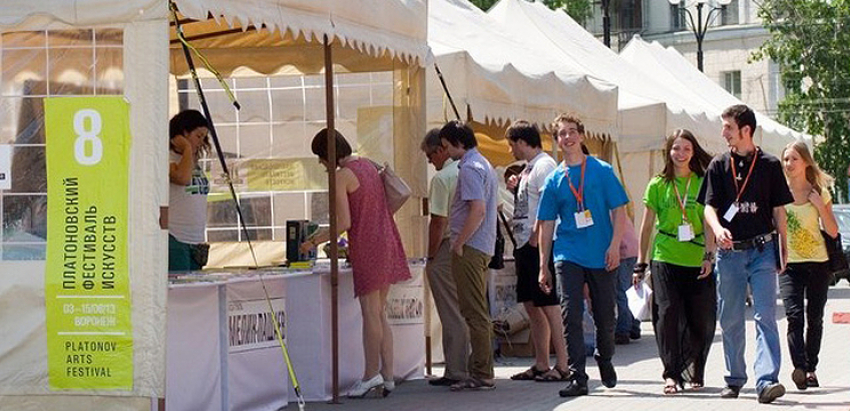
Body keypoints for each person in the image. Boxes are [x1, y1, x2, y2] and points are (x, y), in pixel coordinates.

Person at [300, 128, 411, 398]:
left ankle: (370, 375)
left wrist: (312, 241)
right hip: (387, 239)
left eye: (320, 157)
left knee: (370, 313)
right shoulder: (367, 165)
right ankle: (387, 375)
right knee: (380, 312)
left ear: (327, 154)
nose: (320, 163)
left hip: (367, 244)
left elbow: (344, 222)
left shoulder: (341, 177)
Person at [697, 104, 793, 404]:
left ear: (745, 130)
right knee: (731, 318)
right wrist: (716, 229)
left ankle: (766, 381)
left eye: (728, 127)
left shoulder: (770, 164)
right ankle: (735, 378)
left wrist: (783, 247)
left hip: (763, 250)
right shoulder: (718, 165)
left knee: (766, 315)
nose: (723, 132)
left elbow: (779, 211)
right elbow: (708, 207)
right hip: (730, 253)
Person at [538, 113, 629, 397]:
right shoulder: (554, 179)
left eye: (572, 131)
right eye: (562, 133)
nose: (568, 137)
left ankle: (605, 356)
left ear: (581, 135)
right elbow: (546, 224)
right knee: (570, 313)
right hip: (568, 253)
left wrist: (614, 245)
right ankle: (578, 376)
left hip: (601, 251)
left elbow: (619, 210)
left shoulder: (601, 170)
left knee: (605, 316)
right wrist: (544, 265)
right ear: (556, 141)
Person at [635, 129, 716, 394]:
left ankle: (694, 370)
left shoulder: (702, 181)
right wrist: (640, 263)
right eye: (676, 148)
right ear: (668, 151)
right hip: (665, 256)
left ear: (693, 153)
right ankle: (670, 374)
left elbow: (708, 223)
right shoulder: (658, 184)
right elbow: (646, 227)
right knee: (667, 315)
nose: (680, 154)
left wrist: (708, 255)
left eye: (686, 149)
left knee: (699, 320)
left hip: (696, 259)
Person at [504, 120, 569, 383]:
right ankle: (541, 362)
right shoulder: (530, 168)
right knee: (532, 305)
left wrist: (536, 235)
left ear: (521, 142)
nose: (510, 151)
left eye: (511, 145)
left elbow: (547, 202)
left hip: (539, 244)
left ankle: (564, 364)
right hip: (523, 244)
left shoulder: (544, 166)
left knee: (550, 305)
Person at [439, 120, 499, 391]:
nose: (446, 151)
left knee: (474, 311)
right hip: (481, 245)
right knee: (477, 309)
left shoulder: (470, 169)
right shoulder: (483, 163)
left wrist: (459, 242)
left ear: (458, 143)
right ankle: (481, 368)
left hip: (472, 246)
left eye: (446, 145)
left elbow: (478, 210)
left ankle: (482, 372)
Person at [780, 141, 838, 391]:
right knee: (794, 316)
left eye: (793, 159)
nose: (789, 164)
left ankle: (811, 368)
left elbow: (833, 231)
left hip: (818, 263)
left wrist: (817, 205)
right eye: (785, 159)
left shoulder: (819, 192)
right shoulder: (778, 192)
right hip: (790, 264)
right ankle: (800, 368)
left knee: (815, 317)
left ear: (805, 162)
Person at [420, 128, 470, 387]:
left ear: (441, 149)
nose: (430, 161)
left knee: (450, 310)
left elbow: (438, 222)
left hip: (448, 246)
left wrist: (430, 255)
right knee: (469, 308)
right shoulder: (473, 169)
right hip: (472, 246)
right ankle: (470, 365)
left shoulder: (442, 179)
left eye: (430, 156)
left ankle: (457, 369)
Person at [168, 109, 211, 272]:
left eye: (204, 137)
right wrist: (186, 148)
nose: (201, 142)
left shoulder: (193, 161)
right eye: (198, 136)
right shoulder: (168, 158)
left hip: (195, 241)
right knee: (180, 293)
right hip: (176, 238)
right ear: (184, 133)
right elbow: (183, 178)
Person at [614, 217, 641, 345]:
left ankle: (623, 330)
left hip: (622, 251)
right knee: (632, 291)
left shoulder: (608, 208)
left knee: (622, 292)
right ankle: (634, 326)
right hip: (633, 249)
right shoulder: (622, 207)